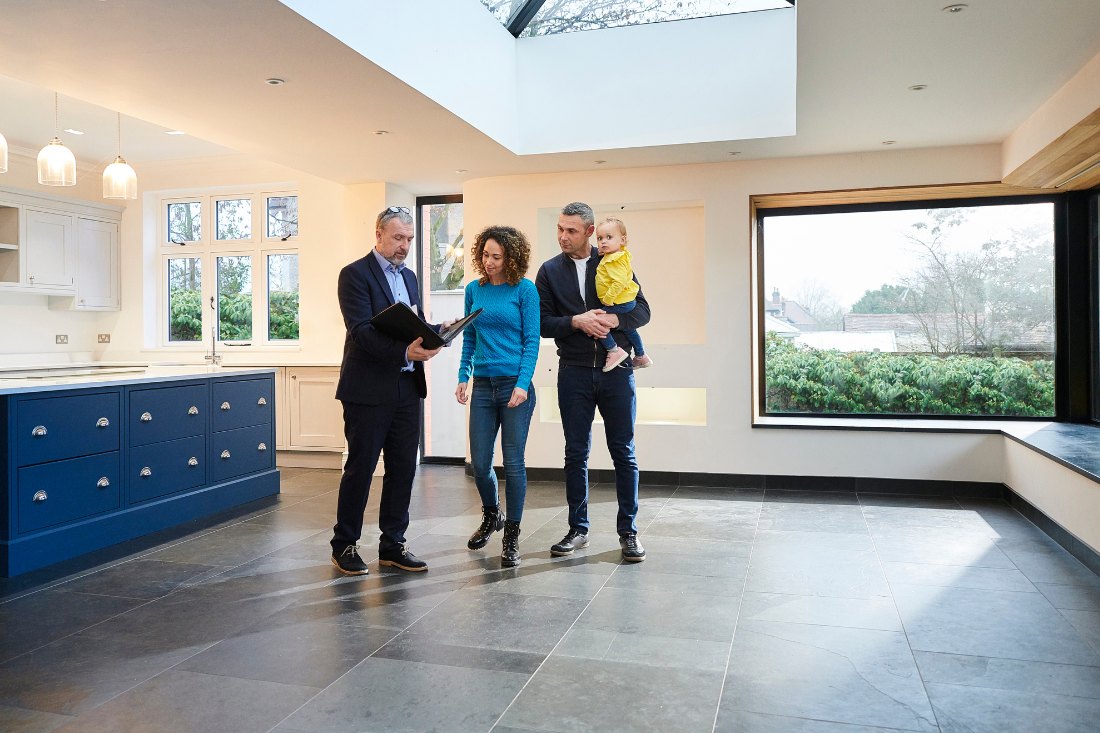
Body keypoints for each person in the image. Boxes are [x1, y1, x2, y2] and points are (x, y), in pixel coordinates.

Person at [330, 205, 447, 575]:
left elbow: (411, 324)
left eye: (409, 239)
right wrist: (403, 351)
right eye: (398, 238)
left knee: (403, 469)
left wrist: (439, 330)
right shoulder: (354, 274)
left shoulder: (409, 277)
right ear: (378, 234)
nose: (404, 246)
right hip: (367, 390)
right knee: (361, 468)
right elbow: (361, 331)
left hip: (407, 387)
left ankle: (393, 544)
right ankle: (344, 544)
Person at [534, 201, 650, 563]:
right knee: (575, 453)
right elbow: (541, 324)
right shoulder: (549, 271)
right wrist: (575, 321)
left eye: (571, 230)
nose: (562, 236)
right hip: (573, 371)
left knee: (624, 453)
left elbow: (642, 311)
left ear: (589, 231)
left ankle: (628, 532)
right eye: (559, 229)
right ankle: (578, 529)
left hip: (618, 371)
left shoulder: (613, 259)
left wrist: (614, 322)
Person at [455, 225, 540, 567]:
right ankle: (493, 514)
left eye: (497, 257)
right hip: (483, 385)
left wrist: (522, 383)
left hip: (514, 386)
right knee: (479, 463)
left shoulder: (525, 290)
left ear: (511, 258)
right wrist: (463, 376)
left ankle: (512, 535)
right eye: (485, 255)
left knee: (514, 462)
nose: (489, 262)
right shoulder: (473, 290)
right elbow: (468, 337)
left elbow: (531, 340)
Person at [594, 217, 653, 371]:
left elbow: (619, 282)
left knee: (598, 322)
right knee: (629, 329)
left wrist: (608, 298)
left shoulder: (613, 260)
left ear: (623, 240)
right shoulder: (619, 254)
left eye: (609, 237)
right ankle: (641, 355)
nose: (603, 242)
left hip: (619, 301)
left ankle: (613, 350)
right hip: (627, 300)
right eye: (600, 238)